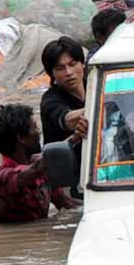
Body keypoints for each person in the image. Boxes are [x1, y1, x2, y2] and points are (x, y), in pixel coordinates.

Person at [0, 103, 79, 225]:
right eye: (35, 128)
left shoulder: (41, 170)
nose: (39, 133)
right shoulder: (2, 178)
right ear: (21, 138)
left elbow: (67, 204)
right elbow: (36, 168)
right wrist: (74, 138)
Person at [40, 38, 91, 197]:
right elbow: (66, 119)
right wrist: (98, 109)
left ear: (82, 64)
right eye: (60, 68)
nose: (68, 72)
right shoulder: (50, 100)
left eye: (72, 64)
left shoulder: (96, 85)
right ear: (52, 74)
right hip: (68, 185)